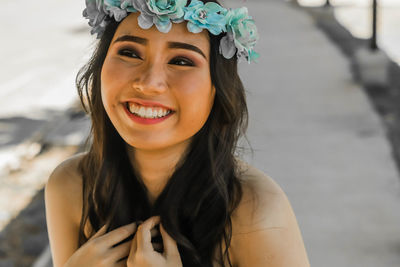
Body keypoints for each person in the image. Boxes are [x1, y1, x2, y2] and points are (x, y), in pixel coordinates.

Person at [45, 0, 310, 266]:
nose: (149, 84)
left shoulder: (256, 208)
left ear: (216, 90)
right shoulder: (70, 185)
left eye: (181, 61)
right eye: (130, 53)